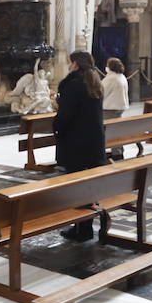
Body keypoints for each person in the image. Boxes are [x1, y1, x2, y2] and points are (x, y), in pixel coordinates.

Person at [53, 51, 107, 239]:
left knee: (77, 187)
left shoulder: (74, 84)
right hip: (94, 141)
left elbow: (66, 115)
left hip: (77, 142)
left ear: (75, 64)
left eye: (70, 62)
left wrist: (57, 127)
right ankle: (84, 226)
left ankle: (82, 230)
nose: (69, 65)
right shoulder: (94, 82)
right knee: (88, 186)